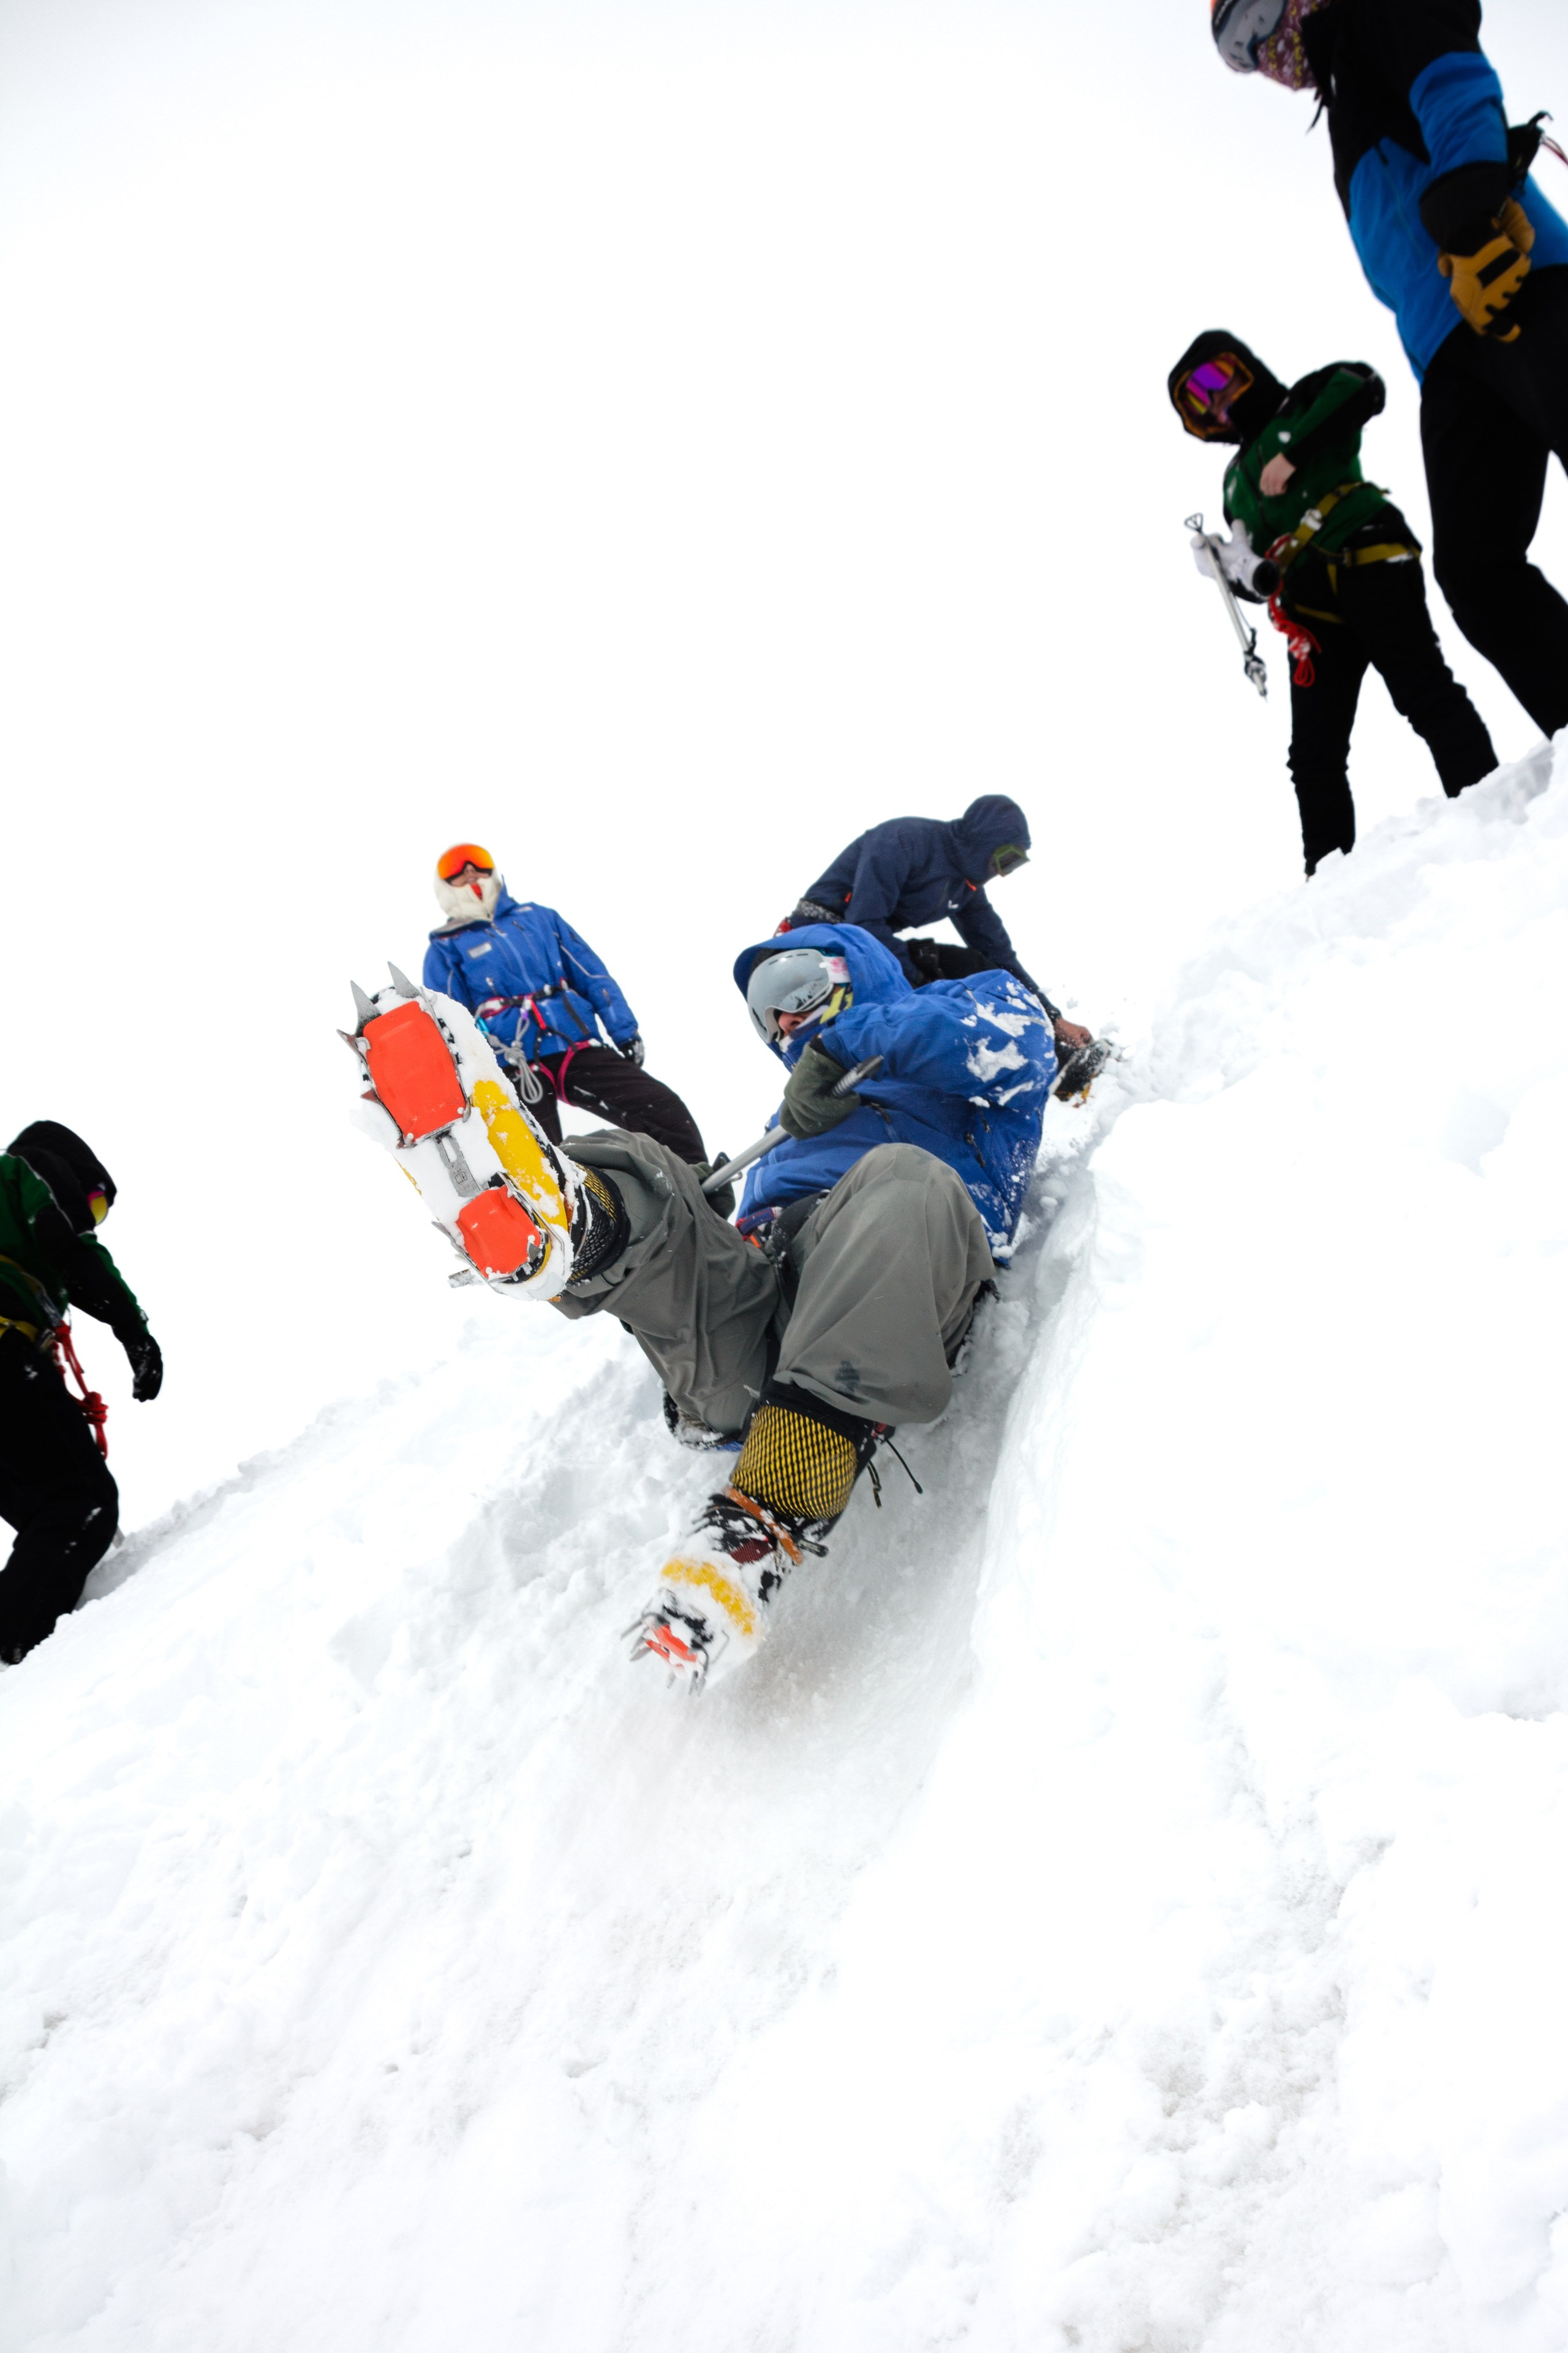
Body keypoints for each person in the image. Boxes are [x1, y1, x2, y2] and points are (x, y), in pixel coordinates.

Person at [546, 922, 1057, 1687]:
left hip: (900, 1275)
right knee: (657, 1178)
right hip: (756, 1340)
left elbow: (1020, 1037)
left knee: (901, 1177)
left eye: (795, 987)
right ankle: (546, 1214)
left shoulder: (969, 1028)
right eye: (766, 1013)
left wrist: (847, 1046)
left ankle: (758, 1527)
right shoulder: (783, 1127)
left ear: (864, 971)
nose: (783, 1019)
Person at [1210, 0, 1568, 742]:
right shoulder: (1342, 117)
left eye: (1258, 17)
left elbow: (1453, 83)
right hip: (1449, 355)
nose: (1265, 50)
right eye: (1242, 52)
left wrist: (1469, 217)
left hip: (1516, 274)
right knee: (1475, 573)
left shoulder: (1375, 16)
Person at [1170, 330, 1495, 872]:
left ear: (1241, 366)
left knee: (1423, 692)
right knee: (1313, 760)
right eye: (1196, 401)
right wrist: (1228, 570)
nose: (1214, 400)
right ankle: (1329, 882)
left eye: (1213, 379)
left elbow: (1363, 386)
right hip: (1307, 611)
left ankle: (1492, 806)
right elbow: (1261, 581)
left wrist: (1292, 451)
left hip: (1367, 554)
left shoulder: (1304, 400)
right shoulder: (1233, 484)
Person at [421, 842, 710, 1166]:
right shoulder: (445, 948)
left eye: (479, 863)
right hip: (512, 1063)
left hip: (573, 1042)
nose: (470, 871)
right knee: (537, 1157)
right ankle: (561, 1214)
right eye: (455, 869)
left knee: (661, 1107)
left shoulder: (540, 919)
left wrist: (624, 1030)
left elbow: (591, 974)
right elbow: (448, 1023)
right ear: (444, 886)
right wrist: (464, 1084)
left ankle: (700, 1185)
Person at [0, 1121, 163, 1664]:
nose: (89, 1224)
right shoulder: (29, 1170)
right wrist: (133, 1330)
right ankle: (11, 1643)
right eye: (94, 1209)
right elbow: (70, 1246)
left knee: (44, 1505)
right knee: (80, 1500)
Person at [778, 795, 1093, 1054]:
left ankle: (1045, 1053)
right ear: (984, 841)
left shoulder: (965, 889)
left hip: (866, 946)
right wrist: (919, 978)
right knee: (940, 993)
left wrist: (1054, 1017)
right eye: (1006, 859)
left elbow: (999, 956)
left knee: (975, 969)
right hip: (818, 942)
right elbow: (865, 923)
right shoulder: (905, 841)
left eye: (1014, 866)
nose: (1002, 872)